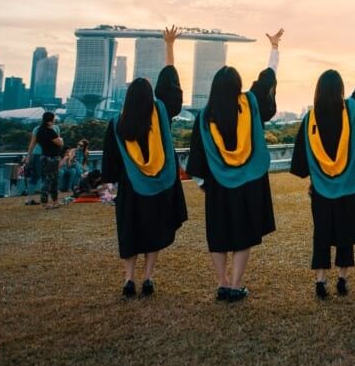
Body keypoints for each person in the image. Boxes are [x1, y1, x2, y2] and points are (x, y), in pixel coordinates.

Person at [186, 28, 283, 303]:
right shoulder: (250, 103)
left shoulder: (205, 117)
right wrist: (274, 49)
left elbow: (196, 156)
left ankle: (222, 282)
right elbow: (267, 79)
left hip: (217, 184)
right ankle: (236, 285)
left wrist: (204, 183)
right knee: (243, 234)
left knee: (219, 234)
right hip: (249, 182)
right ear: (239, 85)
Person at [101, 26, 188, 299]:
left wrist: (112, 184)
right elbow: (170, 86)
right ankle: (148, 278)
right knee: (154, 231)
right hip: (160, 186)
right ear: (151, 98)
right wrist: (170, 46)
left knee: (131, 232)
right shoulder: (160, 113)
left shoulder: (116, 124)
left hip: (131, 188)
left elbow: (110, 164)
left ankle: (129, 279)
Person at [291, 43, 355, 299]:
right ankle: (342, 280)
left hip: (321, 191)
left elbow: (301, 161)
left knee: (321, 234)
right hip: (350, 189)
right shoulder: (352, 109)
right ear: (340, 90)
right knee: (345, 234)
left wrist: (315, 177)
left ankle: (320, 282)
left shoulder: (310, 120)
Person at [32, 112, 64, 210]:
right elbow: (60, 143)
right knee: (51, 180)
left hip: (44, 156)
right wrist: (61, 139)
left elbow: (33, 143)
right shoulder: (50, 131)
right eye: (54, 118)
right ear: (51, 120)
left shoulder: (39, 131)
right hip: (52, 158)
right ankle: (46, 203)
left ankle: (54, 202)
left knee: (47, 179)